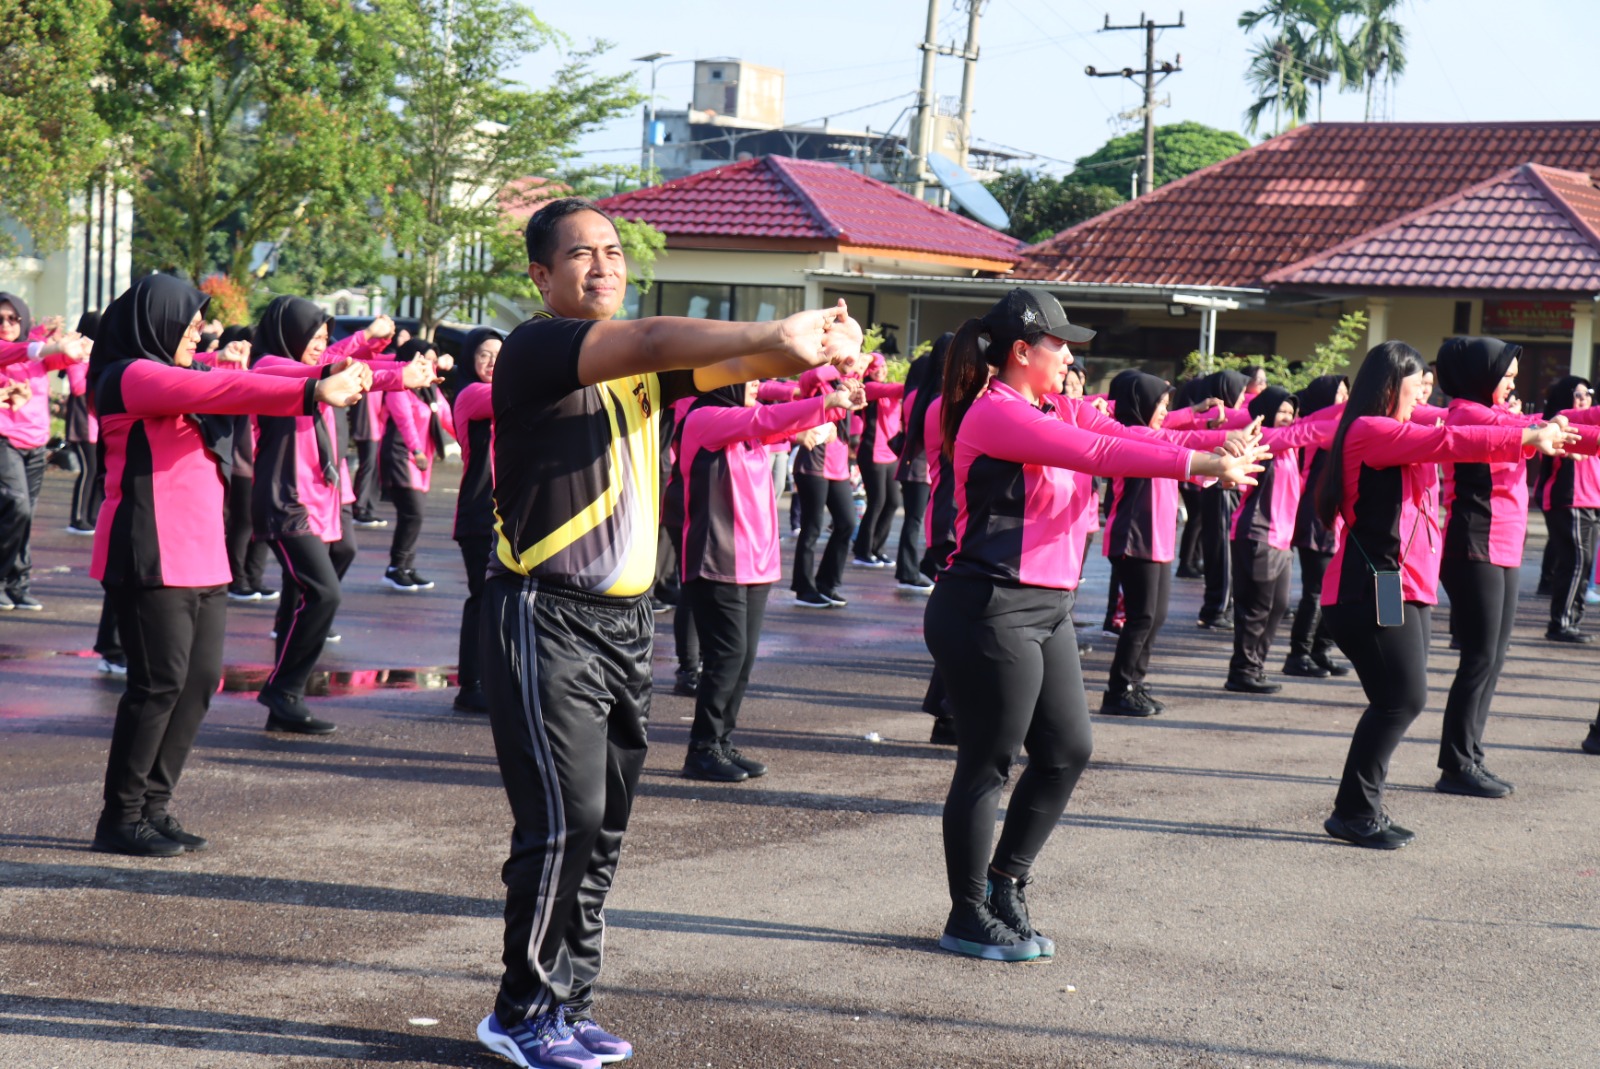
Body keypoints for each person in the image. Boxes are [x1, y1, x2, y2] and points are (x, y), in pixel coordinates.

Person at [475, 197, 856, 1069]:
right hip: (546, 616)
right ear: (541, 275)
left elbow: (733, 362)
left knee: (604, 825)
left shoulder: (641, 369)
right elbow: (649, 341)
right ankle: (520, 1012)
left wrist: (810, 346)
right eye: (582, 255)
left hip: (623, 626)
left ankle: (568, 1002)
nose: (603, 265)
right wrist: (777, 326)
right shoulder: (539, 347)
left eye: (613, 252)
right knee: (563, 821)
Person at [924, 289, 1262, 962]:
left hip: (1045, 606)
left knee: (1067, 749)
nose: (1072, 354)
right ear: (1023, 351)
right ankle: (966, 914)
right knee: (988, 763)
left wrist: (1216, 441)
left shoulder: (1052, 405)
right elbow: (1095, 454)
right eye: (1060, 344)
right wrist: (1205, 467)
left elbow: (1129, 434)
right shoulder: (995, 414)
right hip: (989, 605)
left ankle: (1004, 883)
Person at [89, 273, 366, 856]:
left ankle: (154, 808)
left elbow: (259, 373)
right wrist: (315, 392)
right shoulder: (131, 376)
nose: (197, 329)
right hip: (150, 549)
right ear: (157, 321)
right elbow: (224, 392)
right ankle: (121, 816)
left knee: (196, 685)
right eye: (188, 320)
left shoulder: (180, 373)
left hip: (202, 554)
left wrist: (331, 375)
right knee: (158, 685)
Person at [1315, 341, 1574, 850]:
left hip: (1400, 587)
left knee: (1398, 699)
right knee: (1400, 700)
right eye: (1418, 389)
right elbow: (1452, 443)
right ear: (1391, 387)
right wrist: (1526, 433)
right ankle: (1353, 812)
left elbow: (1463, 424)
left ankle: (1360, 809)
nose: (1425, 400)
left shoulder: (1404, 423)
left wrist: (1535, 429)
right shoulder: (1372, 431)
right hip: (1368, 588)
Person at [1433, 338, 1600, 799]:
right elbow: (1543, 428)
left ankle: (1470, 756)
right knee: (1479, 658)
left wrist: (1575, 420)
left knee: (1493, 658)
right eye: (1505, 375)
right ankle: (1456, 763)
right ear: (1479, 375)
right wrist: (1563, 427)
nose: (1512, 382)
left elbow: (1553, 424)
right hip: (1475, 544)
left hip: (1502, 546)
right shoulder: (1469, 413)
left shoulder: (1499, 414)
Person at [678, 377, 865, 782]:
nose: (758, 382)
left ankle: (722, 742)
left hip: (756, 563)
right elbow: (769, 417)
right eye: (749, 377)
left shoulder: (747, 428)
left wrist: (839, 402)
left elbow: (781, 424)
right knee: (725, 659)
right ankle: (702, 748)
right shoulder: (705, 418)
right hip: (719, 558)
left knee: (741, 660)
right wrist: (826, 401)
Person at [249, 298, 414, 734]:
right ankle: (284, 690)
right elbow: (328, 371)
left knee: (311, 586)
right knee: (323, 594)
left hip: (320, 496)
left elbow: (346, 369)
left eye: (325, 338)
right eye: (315, 338)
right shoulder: (270, 364)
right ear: (291, 334)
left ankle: (285, 702)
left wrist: (401, 374)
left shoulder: (320, 367)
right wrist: (396, 373)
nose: (321, 347)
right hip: (285, 499)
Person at [1097, 371, 1237, 716]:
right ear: (1140, 404)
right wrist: (1223, 438)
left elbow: (1176, 437)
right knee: (1141, 617)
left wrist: (1196, 416)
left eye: (1165, 404)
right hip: (1135, 538)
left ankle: (1135, 683)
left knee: (1154, 617)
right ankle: (1118, 690)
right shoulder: (1132, 436)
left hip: (1158, 539)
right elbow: (1180, 443)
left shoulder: (1154, 433)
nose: (1164, 411)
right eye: (1159, 404)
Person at [1224, 385, 1335, 694]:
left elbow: (1306, 428)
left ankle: (1255, 667)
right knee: (1256, 608)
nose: (1287, 418)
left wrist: (1347, 406)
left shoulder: (1289, 450)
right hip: (1256, 533)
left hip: (1281, 539)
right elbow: (1304, 432)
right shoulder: (1265, 439)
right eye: (1281, 411)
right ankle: (1242, 671)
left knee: (1278, 606)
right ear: (1265, 414)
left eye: (1291, 412)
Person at [0, 293, 90, 610]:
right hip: (4, 442)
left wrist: (78, 349)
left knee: (25, 517)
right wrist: (51, 345)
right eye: (0, 319)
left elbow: (61, 360)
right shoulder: (7, 349)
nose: (6, 324)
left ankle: (18, 584)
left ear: (23, 320)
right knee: (18, 506)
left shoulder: (34, 354)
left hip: (36, 445)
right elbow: (26, 349)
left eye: (13, 318)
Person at [447, 327, 503, 713]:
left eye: (501, 354)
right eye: (485, 354)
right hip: (480, 513)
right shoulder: (471, 395)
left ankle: (497, 681)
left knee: (504, 603)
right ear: (470, 358)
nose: (493, 362)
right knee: (482, 600)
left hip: (512, 513)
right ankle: (471, 685)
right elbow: (517, 399)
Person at [1283, 374, 1350, 678]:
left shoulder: (1333, 426)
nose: (1345, 400)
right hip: (1315, 517)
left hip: (1334, 519)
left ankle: (1320, 651)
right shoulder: (1320, 428)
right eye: (1339, 394)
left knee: (1336, 592)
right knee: (1316, 591)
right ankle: (1298, 654)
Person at [381, 338, 454, 592]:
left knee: (414, 515)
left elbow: (448, 418)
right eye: (426, 361)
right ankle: (395, 568)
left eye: (434, 362)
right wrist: (417, 450)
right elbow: (404, 421)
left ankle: (406, 567)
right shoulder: (399, 387)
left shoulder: (431, 390)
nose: (431, 366)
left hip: (422, 460)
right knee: (413, 512)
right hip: (402, 455)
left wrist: (470, 442)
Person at [789, 356, 862, 608]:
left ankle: (827, 583)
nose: (853, 363)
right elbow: (812, 376)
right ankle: (804, 588)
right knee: (812, 528)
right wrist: (838, 366)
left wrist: (850, 382)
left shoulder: (845, 383)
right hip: (813, 465)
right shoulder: (814, 383)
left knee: (846, 523)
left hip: (838, 467)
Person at [1536, 376, 1600, 642]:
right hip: (1569, 500)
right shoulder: (1556, 425)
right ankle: (1560, 623)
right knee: (1574, 562)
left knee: (1582, 564)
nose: (1583, 398)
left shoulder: (1588, 423)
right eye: (1577, 394)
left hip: (1591, 501)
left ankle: (1571, 621)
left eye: (1587, 394)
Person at [850, 352, 904, 568]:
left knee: (892, 502)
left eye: (883, 366)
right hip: (871, 452)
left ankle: (876, 548)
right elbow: (896, 389)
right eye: (876, 367)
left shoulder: (889, 389)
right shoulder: (869, 388)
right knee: (877, 502)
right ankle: (862, 551)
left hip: (890, 454)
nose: (881, 370)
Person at [892, 344, 937, 593]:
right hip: (918, 467)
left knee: (916, 520)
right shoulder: (918, 396)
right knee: (914, 520)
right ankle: (908, 571)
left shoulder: (914, 394)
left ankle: (912, 568)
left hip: (919, 466)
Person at [63, 311, 103, 535]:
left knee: (98, 472)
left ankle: (93, 516)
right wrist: (89, 361)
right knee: (88, 470)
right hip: (82, 423)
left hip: (96, 423)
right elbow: (78, 387)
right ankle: (77, 518)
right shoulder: (76, 356)